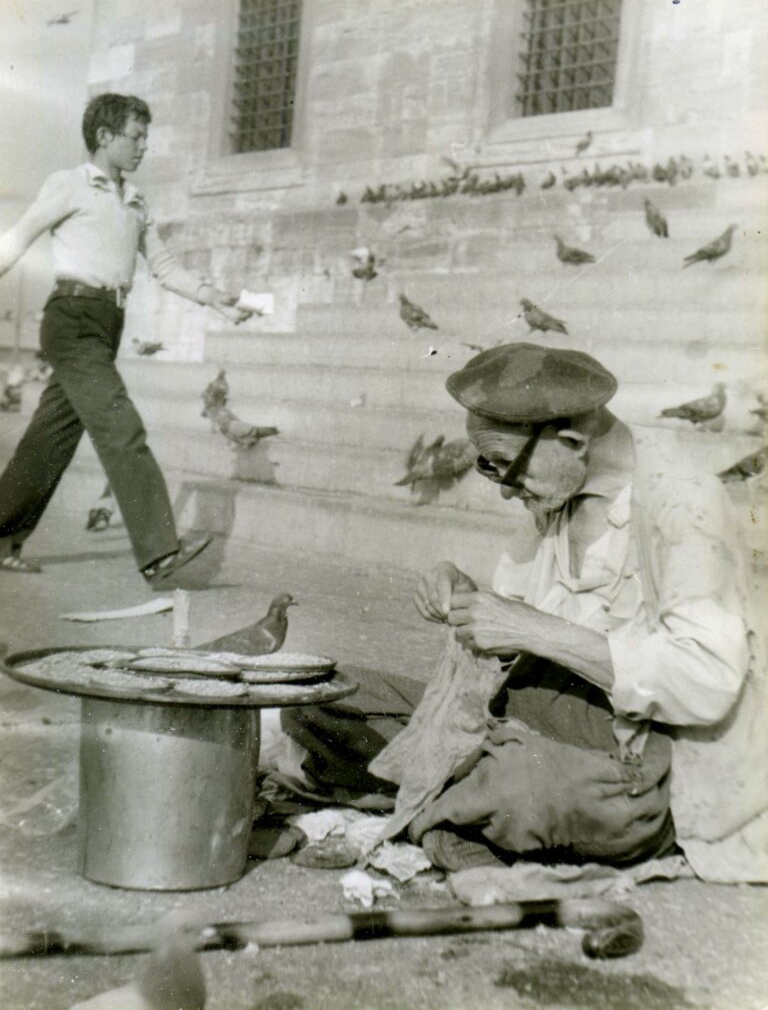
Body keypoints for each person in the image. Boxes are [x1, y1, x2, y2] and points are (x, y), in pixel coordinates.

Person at [275, 343, 768, 881]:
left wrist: (539, 631)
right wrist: (464, 594)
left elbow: (707, 681)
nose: (504, 489)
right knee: (323, 698)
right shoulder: (556, 489)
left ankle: (447, 803)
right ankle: (455, 807)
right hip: (527, 727)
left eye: (504, 466)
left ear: (573, 441)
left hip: (641, 764)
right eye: (486, 467)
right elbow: (511, 625)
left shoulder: (683, 503)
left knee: (521, 785)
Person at [0, 93, 249, 581]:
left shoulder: (135, 200)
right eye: (135, 137)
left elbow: (163, 266)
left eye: (145, 138)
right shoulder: (69, 184)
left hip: (107, 324)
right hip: (71, 319)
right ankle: (159, 552)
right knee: (121, 425)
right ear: (104, 137)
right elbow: (20, 235)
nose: (143, 147)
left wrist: (212, 296)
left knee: (48, 441)